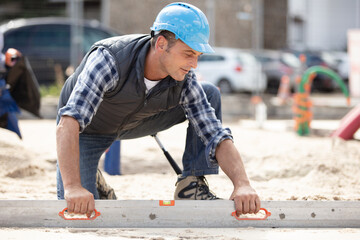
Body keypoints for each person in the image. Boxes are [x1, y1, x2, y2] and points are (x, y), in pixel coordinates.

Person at [56, 2, 260, 218]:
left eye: (198, 56)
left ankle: (191, 186)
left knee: (208, 92)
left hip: (139, 120)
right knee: (79, 210)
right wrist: (73, 187)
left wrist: (242, 184)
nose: (194, 64)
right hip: (89, 130)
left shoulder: (185, 79)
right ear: (161, 44)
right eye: (188, 53)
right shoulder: (109, 59)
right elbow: (68, 123)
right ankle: (92, 180)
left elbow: (215, 134)